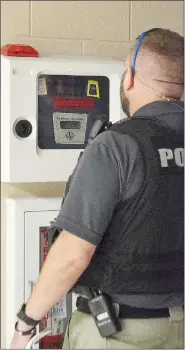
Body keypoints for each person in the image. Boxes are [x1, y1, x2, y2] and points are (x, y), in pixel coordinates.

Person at [11, 28, 184, 349]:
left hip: (119, 334)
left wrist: (26, 324)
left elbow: (72, 256)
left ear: (129, 76)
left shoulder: (117, 146)